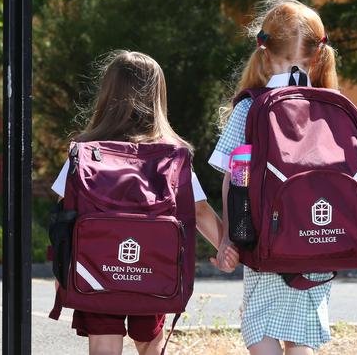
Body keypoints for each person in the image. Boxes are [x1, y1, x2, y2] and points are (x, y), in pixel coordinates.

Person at [51, 50, 239, 355]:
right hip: (152, 270)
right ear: (157, 97)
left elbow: (63, 215)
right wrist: (226, 247)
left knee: (103, 344)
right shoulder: (171, 157)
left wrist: (60, 273)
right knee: (150, 342)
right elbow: (200, 211)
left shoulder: (84, 153)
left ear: (107, 94)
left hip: (95, 270)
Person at [209, 0, 342, 355]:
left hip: (266, 242)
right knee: (302, 336)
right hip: (320, 239)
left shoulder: (251, 107)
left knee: (261, 327)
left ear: (264, 52)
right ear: (317, 55)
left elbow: (233, 177)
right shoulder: (332, 106)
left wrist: (229, 239)